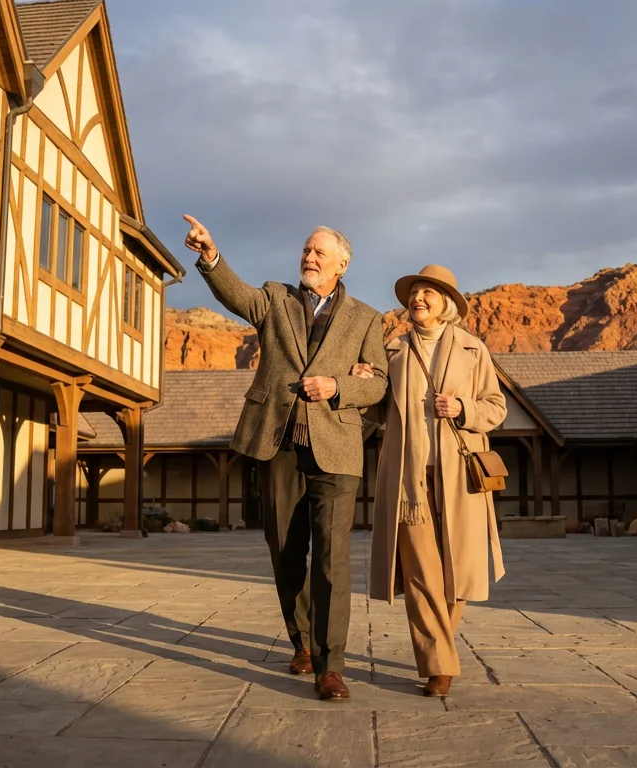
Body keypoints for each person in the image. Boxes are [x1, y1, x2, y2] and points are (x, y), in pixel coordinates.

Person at [183, 214, 388, 701]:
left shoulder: (366, 318)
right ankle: (300, 641)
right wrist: (210, 255)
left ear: (342, 264)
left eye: (319, 252)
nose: (308, 257)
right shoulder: (276, 298)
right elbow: (236, 293)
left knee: (333, 559)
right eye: (305, 250)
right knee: (287, 552)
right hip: (276, 444)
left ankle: (330, 666)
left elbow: (378, 382)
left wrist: (340, 386)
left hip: (335, 446)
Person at [352, 264, 506, 698]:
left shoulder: (474, 350)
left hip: (461, 477)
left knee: (458, 572)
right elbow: (379, 413)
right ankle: (440, 665)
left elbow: (496, 407)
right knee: (421, 571)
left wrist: (463, 409)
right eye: (414, 292)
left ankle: (439, 652)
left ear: (447, 304)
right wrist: (364, 390)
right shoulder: (394, 350)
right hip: (408, 478)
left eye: (427, 293)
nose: (417, 298)